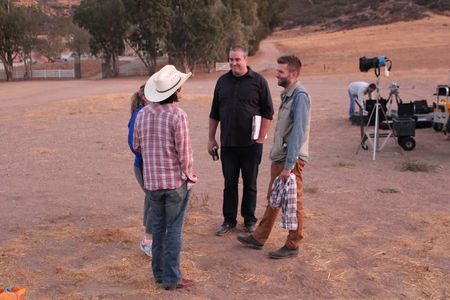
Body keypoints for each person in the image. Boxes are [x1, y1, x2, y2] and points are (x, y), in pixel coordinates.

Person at [237, 55, 311, 259]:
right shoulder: (289, 94)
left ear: (293, 74)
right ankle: (259, 237)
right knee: (274, 197)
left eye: (281, 72)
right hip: (281, 158)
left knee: (293, 202)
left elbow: (298, 132)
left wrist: (289, 165)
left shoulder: (300, 96)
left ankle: (293, 244)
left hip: (290, 159)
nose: (276, 75)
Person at [133, 65, 197, 290]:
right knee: (174, 230)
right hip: (174, 184)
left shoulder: (143, 114)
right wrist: (190, 177)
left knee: (158, 228)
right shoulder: (178, 115)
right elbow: (185, 152)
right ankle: (172, 278)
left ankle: (159, 274)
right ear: (174, 91)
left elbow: (136, 145)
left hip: (152, 183)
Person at [208, 45, 274, 236]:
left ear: (246, 59)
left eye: (237, 59)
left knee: (250, 183)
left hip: (251, 145)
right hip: (228, 144)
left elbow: (268, 112)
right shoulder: (222, 82)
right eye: (231, 59)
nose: (234, 63)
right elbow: (214, 113)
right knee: (229, 183)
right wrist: (211, 139)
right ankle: (229, 220)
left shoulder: (258, 81)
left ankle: (249, 220)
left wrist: (261, 138)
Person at [128, 84, 154, 257]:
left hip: (149, 166)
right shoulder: (140, 115)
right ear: (144, 96)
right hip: (144, 166)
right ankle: (148, 241)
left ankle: (149, 238)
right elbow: (133, 144)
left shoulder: (150, 112)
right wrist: (149, 156)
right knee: (155, 201)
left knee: (151, 200)